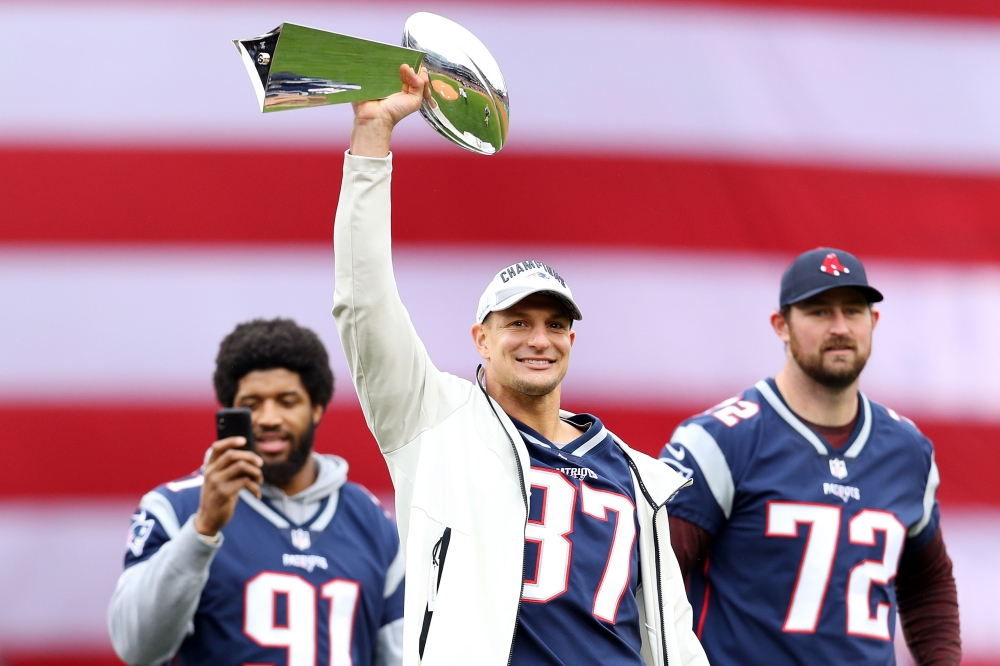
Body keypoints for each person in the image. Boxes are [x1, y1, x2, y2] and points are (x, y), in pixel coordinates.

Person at [331, 64, 708, 666]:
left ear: (573, 340)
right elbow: (362, 301)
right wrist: (373, 139)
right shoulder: (434, 422)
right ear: (481, 339)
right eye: (517, 323)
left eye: (555, 324)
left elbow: (675, 640)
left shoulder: (636, 474)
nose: (539, 340)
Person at [659, 248, 961, 665]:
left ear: (873, 322)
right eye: (819, 312)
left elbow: (927, 580)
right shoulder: (720, 440)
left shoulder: (907, 449)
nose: (839, 327)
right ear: (781, 325)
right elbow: (650, 578)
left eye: (853, 311)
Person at [108, 318, 404, 666]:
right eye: (252, 404)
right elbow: (136, 647)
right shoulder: (175, 507)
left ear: (317, 408)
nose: (268, 418)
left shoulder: (371, 520)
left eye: (287, 401)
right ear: (229, 411)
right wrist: (202, 529)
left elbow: (407, 655)